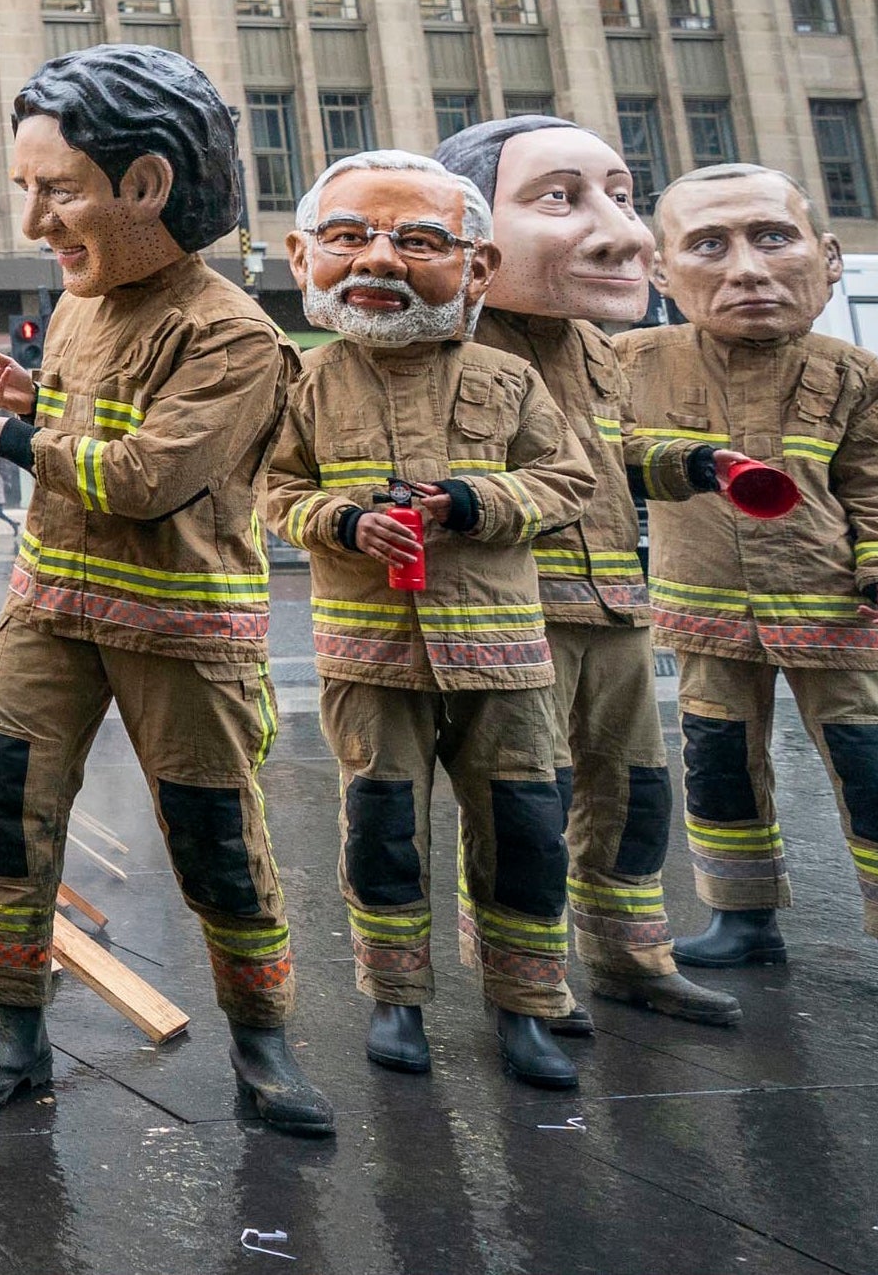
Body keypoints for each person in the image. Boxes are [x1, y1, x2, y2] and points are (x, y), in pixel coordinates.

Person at [0, 45, 331, 1137]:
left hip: (180, 631)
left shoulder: (235, 334)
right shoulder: (85, 304)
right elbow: (85, 418)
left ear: (145, 185)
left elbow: (148, 479)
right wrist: (28, 391)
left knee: (214, 839)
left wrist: (3, 429)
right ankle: (13, 1031)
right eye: (27, 192)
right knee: (2, 815)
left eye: (57, 191)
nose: (36, 221)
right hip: (50, 610)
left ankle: (265, 1046)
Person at [260, 150, 585, 1090]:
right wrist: (344, 522)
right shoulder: (308, 384)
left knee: (524, 828)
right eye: (350, 237)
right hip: (369, 656)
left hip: (505, 657)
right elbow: (273, 492)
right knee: (382, 827)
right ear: (304, 256)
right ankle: (395, 999)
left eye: (419, 240)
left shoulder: (509, 377)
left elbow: (568, 481)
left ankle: (525, 1005)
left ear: (477, 268)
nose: (380, 261)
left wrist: (471, 500)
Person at [619, 164, 878, 1017]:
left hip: (833, 610)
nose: (747, 270)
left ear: (828, 256)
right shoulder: (628, 364)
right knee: (720, 766)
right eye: (708, 245)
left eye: (773, 238)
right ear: (662, 272)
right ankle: (741, 916)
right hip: (703, 615)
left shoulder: (854, 372)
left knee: (873, 769)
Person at [436, 118, 738, 1031]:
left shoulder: (593, 347)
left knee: (635, 793)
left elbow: (600, 456)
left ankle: (630, 954)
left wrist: (684, 461)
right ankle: (523, 981)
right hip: (512, 616)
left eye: (621, 194)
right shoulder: (450, 352)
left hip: (613, 608)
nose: (627, 233)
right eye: (561, 198)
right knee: (527, 802)